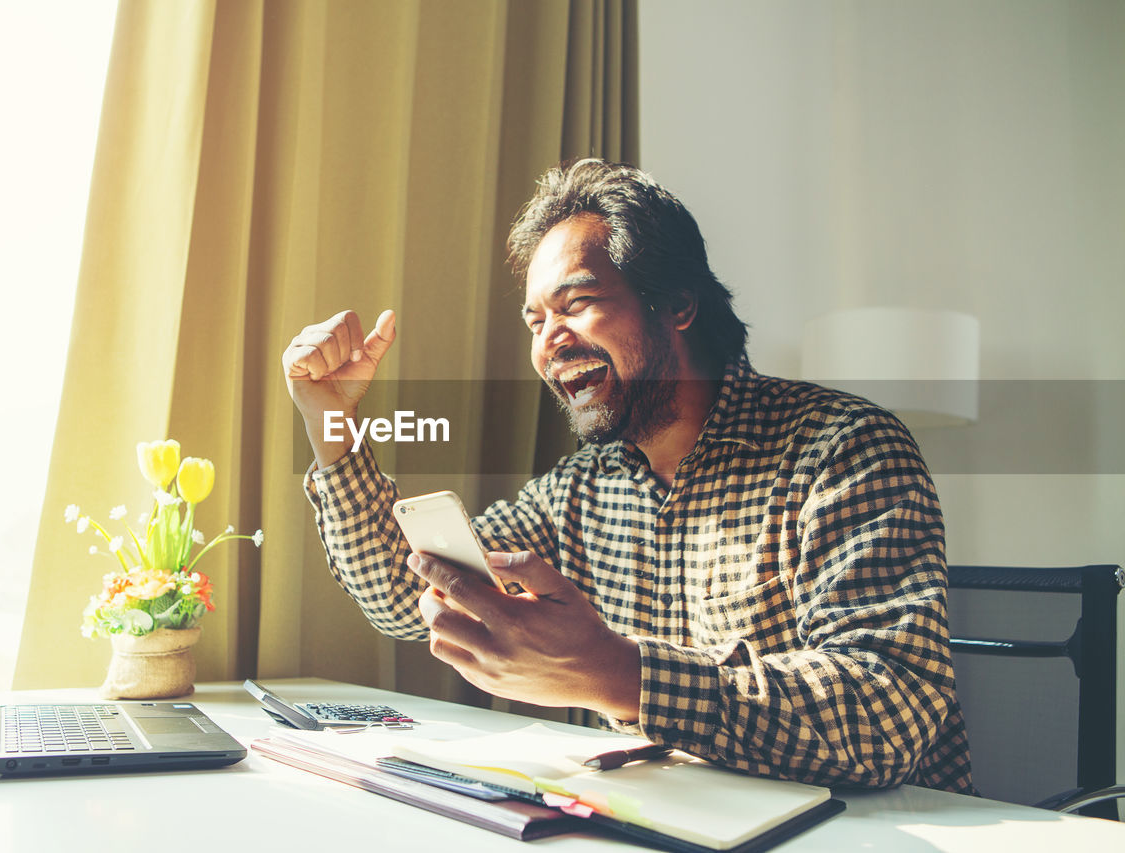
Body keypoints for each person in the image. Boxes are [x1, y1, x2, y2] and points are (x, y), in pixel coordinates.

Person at [281, 159, 974, 793]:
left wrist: (620, 674)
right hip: (670, 823)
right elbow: (405, 593)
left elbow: (889, 709)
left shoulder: (843, 451)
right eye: (535, 319)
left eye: (576, 303)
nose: (548, 341)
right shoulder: (576, 489)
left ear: (676, 304)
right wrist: (331, 425)